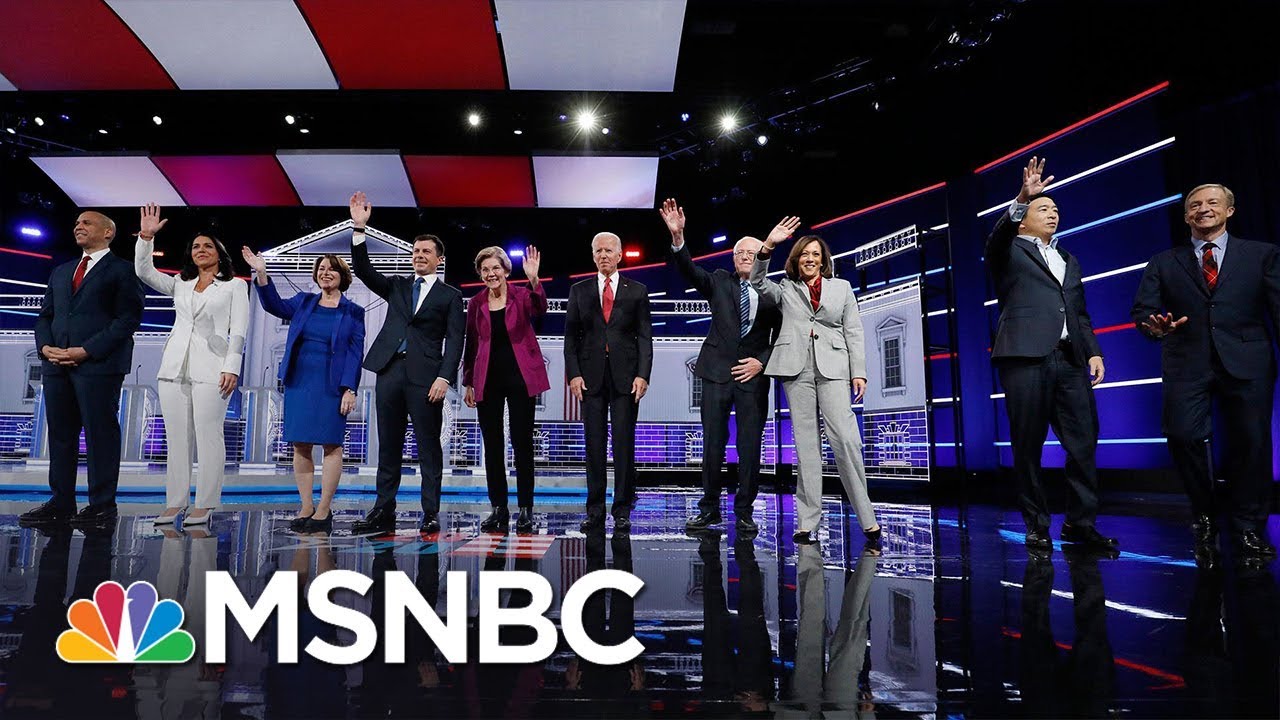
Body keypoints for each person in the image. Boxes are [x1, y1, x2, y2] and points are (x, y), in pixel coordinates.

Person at [1130, 183, 1280, 557]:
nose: (1203, 208)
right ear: (1186, 216)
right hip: (1186, 361)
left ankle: (1248, 526)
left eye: (1213, 202)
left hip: (1247, 360)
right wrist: (1155, 327)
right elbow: (1143, 311)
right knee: (1183, 436)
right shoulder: (1164, 261)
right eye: (1195, 204)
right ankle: (1205, 514)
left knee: (1252, 443)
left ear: (1229, 210)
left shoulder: (1261, 254)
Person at [986, 156, 1115, 552]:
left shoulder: (1068, 259)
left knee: (1084, 442)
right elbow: (995, 240)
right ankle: (1036, 524)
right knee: (1028, 446)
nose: (1052, 213)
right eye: (1043, 208)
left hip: (1070, 359)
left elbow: (1079, 312)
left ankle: (1079, 524)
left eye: (1055, 209)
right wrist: (1022, 198)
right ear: (1024, 220)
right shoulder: (1009, 251)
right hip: (1025, 358)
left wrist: (1093, 352)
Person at [750, 220, 880, 547]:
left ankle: (868, 518)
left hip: (834, 367)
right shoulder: (786, 288)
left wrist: (858, 371)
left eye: (816, 254)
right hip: (796, 369)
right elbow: (757, 281)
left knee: (846, 439)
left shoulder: (842, 288)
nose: (810, 258)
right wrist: (769, 245)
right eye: (805, 254)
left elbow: (853, 330)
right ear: (796, 259)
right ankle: (807, 522)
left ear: (824, 260)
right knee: (807, 446)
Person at [661, 199, 782, 536]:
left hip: (753, 377)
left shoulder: (775, 293)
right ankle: (709, 509)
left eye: (751, 253)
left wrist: (762, 362)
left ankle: (744, 512)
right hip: (716, 374)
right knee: (713, 443)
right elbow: (689, 270)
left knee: (749, 446)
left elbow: (785, 336)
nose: (744, 256)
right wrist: (678, 238)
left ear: (763, 258)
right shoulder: (717, 281)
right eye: (739, 253)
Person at [347, 191, 464, 535]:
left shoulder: (450, 296)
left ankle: (430, 512)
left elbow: (456, 340)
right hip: (390, 372)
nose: (419, 255)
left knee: (428, 447)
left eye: (426, 251)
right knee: (388, 446)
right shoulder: (397, 286)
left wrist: (445, 377)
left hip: (426, 378)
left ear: (439, 258)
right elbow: (364, 270)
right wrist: (359, 228)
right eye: (415, 251)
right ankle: (383, 510)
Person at [20, 211, 143, 531]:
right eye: (76, 223)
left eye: (87, 223)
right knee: (61, 436)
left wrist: (87, 350)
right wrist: (45, 348)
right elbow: (45, 316)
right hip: (56, 364)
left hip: (98, 366)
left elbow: (128, 320)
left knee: (100, 434)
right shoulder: (61, 271)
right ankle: (61, 503)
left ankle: (102, 506)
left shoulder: (123, 270)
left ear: (108, 233)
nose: (78, 226)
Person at [133, 204, 248, 526]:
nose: (201, 250)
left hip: (213, 368)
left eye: (207, 246)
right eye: (196, 246)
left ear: (219, 253)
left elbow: (239, 329)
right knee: (177, 440)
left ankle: (206, 503)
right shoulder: (180, 284)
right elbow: (144, 272)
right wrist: (146, 238)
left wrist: (232, 366)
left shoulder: (234, 286)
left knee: (209, 436)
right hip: (173, 368)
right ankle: (175, 502)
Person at [242, 247, 365, 535]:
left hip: (332, 385)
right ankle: (306, 506)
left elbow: (355, 353)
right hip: (300, 381)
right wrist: (262, 273)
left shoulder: (353, 312)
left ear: (342, 276)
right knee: (301, 444)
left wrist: (350, 388)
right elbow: (273, 305)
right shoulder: (303, 302)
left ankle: (324, 509)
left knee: (332, 444)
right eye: (321, 268)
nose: (325, 273)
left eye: (331, 269)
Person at [564, 232, 653, 533]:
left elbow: (645, 337)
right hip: (590, 378)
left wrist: (643, 374)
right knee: (594, 445)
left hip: (626, 378)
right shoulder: (579, 290)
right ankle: (595, 511)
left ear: (619, 255)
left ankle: (623, 510)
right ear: (593, 256)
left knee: (624, 444)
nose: (603, 255)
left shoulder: (637, 291)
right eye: (598, 251)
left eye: (608, 250)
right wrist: (574, 373)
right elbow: (570, 338)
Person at [462, 246, 551, 534]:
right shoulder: (476, 303)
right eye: (485, 270)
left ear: (506, 271)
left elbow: (540, 309)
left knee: (522, 442)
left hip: (521, 377)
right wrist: (468, 381)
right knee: (492, 445)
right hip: (487, 377)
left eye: (495, 268)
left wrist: (534, 279)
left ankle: (525, 509)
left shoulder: (522, 295)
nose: (491, 274)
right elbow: (471, 342)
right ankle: (499, 508)